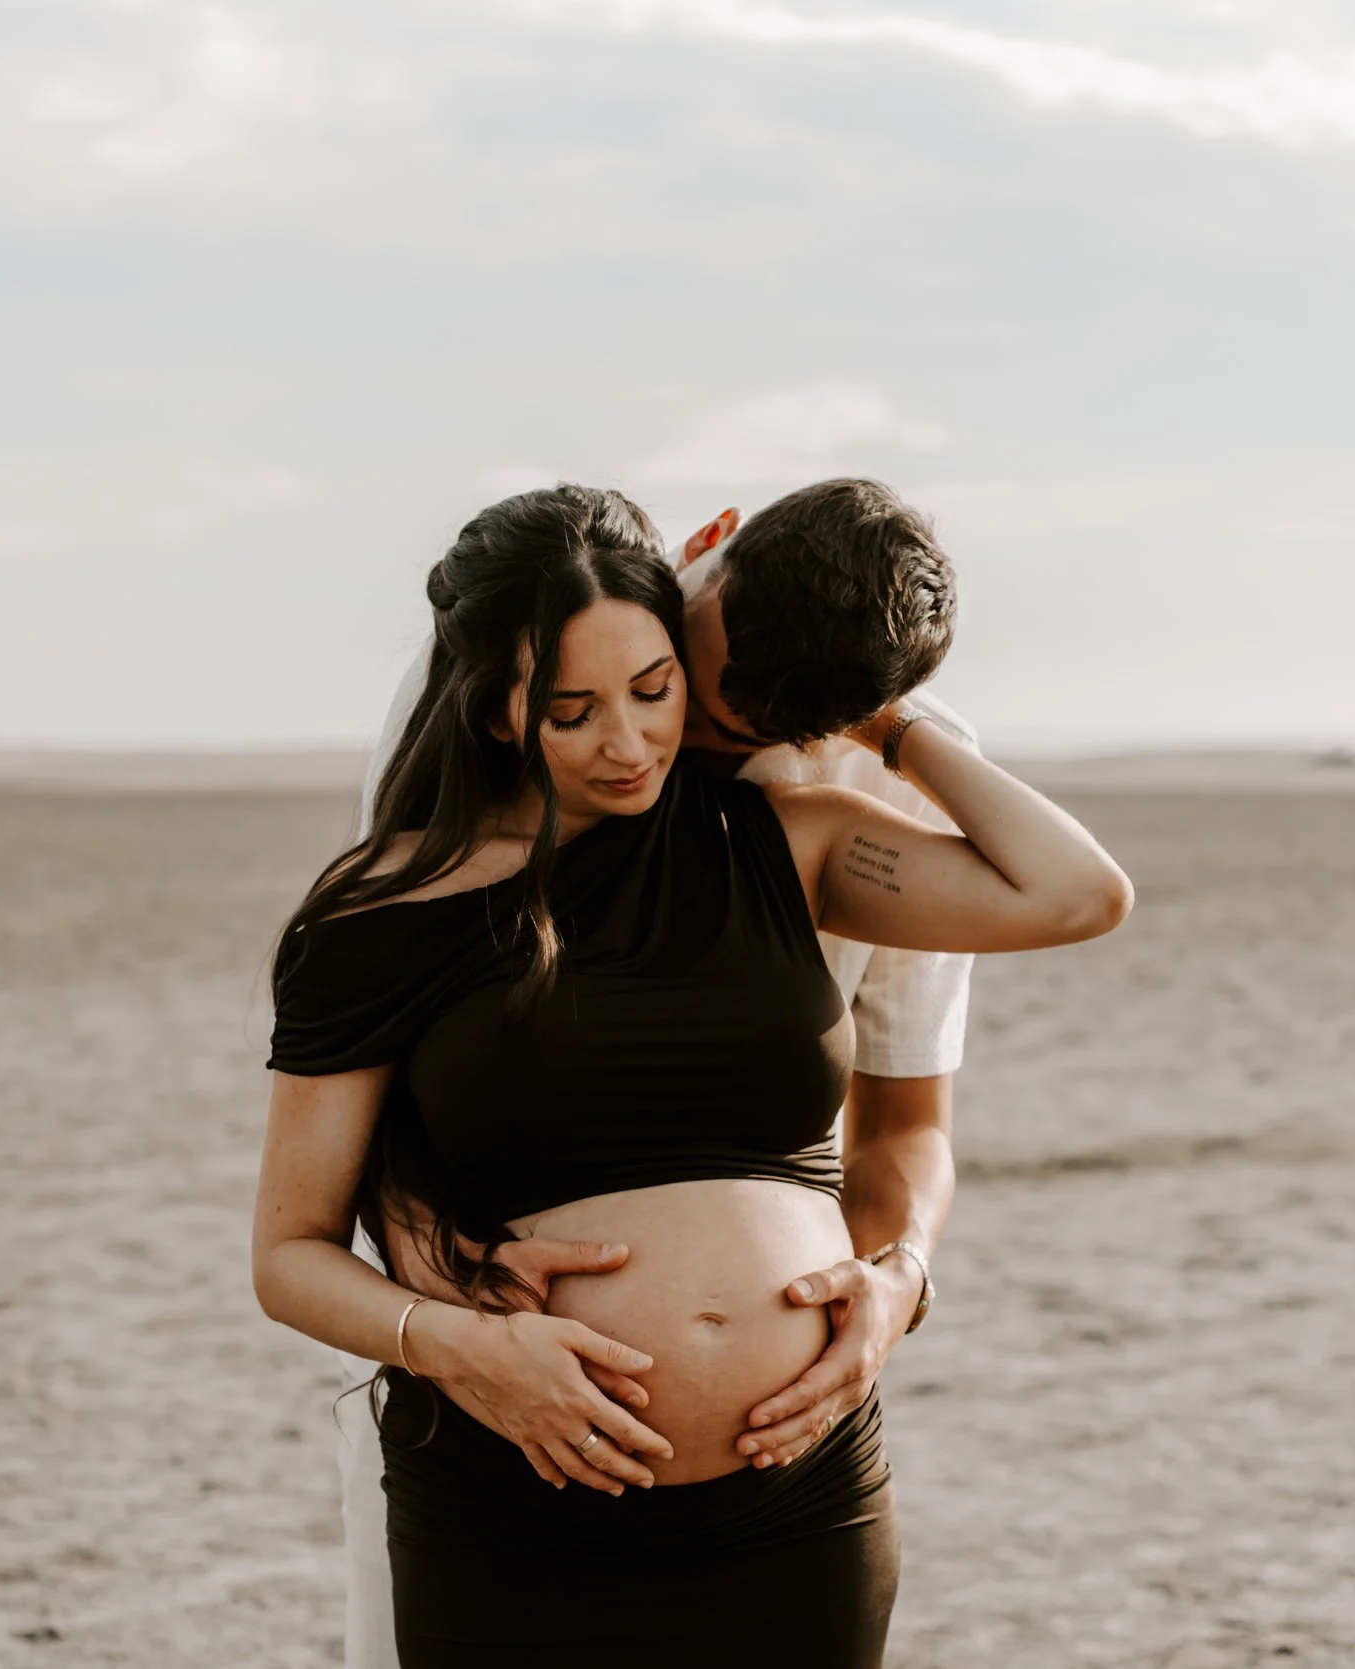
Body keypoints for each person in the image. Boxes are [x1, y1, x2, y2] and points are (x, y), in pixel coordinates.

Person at [252, 484, 1131, 1667]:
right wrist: (457, 1329)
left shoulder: (806, 826)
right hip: (510, 1478)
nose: (637, 744)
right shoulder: (405, 862)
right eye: (580, 709)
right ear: (502, 709)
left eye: (659, 697)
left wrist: (894, 1283)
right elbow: (320, 1205)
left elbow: (1067, 909)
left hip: (796, 1495)